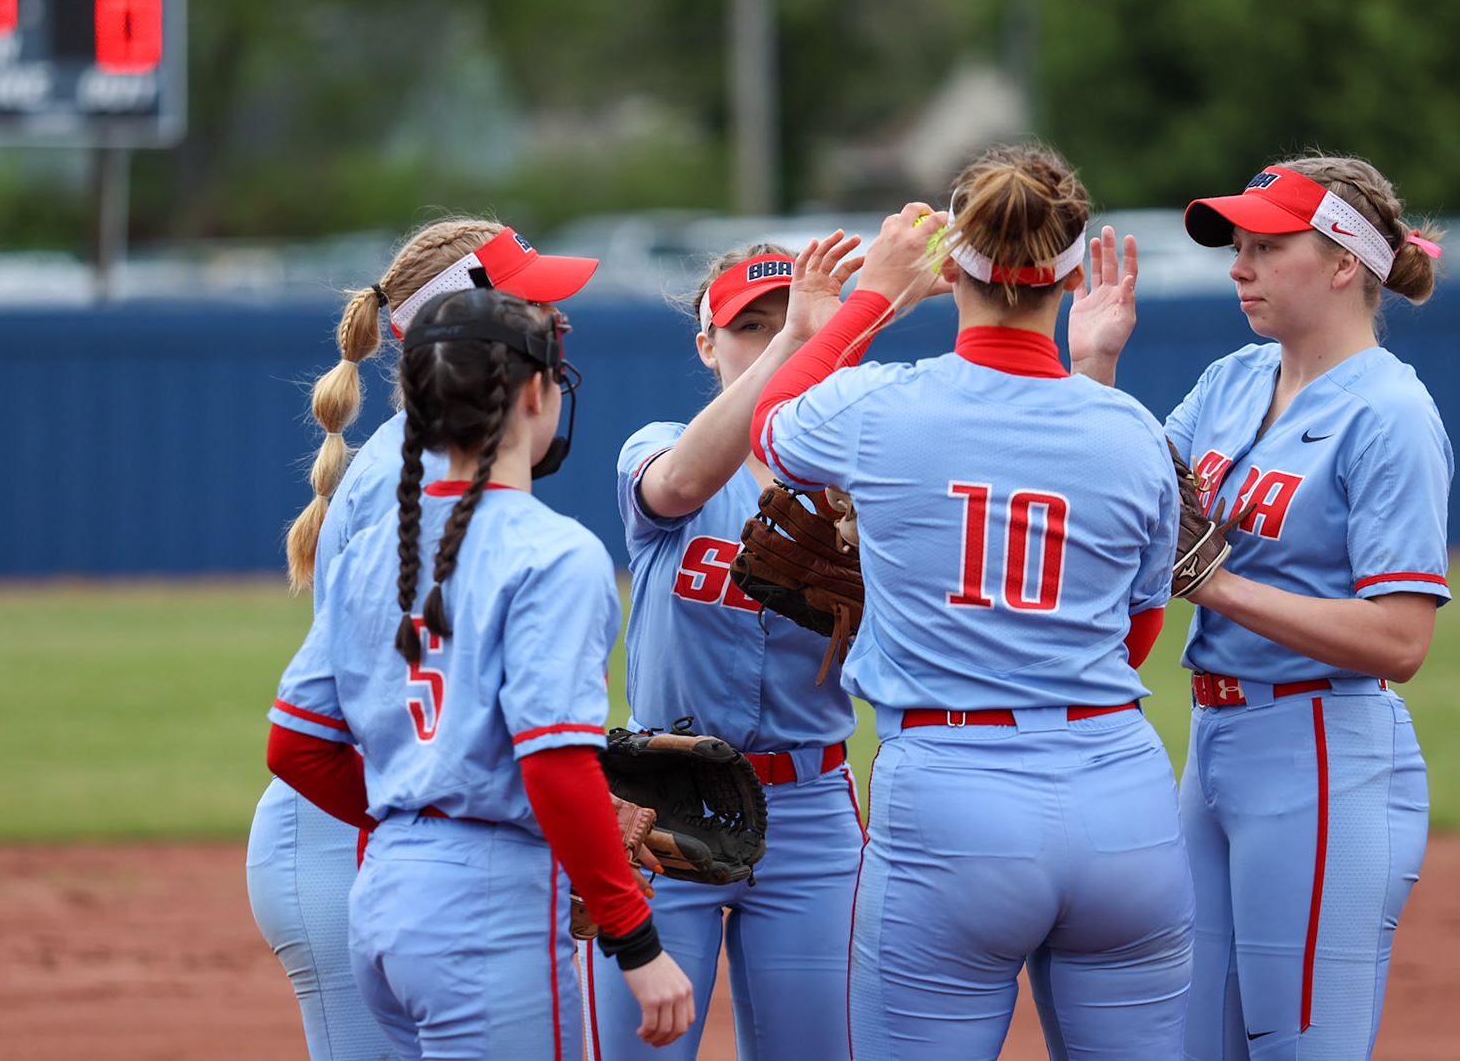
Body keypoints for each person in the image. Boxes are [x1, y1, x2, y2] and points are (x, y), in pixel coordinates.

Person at [749, 146, 1197, 1060]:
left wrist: (873, 295)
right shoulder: (1134, 432)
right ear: (1071, 274)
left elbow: (770, 424)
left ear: (951, 263)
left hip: (954, 795)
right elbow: (1137, 630)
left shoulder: (882, 408)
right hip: (1124, 792)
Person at [1072, 155, 1451, 1060]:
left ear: (1342, 262)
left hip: (1322, 754)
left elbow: (1401, 639)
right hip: (1214, 748)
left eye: (1267, 246)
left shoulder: (1391, 414)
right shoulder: (1235, 377)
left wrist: (1219, 585)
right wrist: (1094, 365)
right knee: (1195, 1044)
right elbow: (1117, 502)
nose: (1239, 265)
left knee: (1299, 1047)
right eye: (1237, 245)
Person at [266, 288, 696, 1058]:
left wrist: (419, 819)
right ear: (536, 390)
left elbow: (294, 748)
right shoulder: (553, 553)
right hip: (490, 905)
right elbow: (555, 765)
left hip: (383, 900)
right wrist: (635, 937)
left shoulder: (369, 551)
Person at [248, 220, 600, 1061]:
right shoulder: (411, 469)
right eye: (537, 302)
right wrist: (481, 820)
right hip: (354, 834)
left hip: (378, 830)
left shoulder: (420, 459)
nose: (562, 321)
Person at [586, 233, 867, 1060]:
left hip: (810, 808)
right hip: (661, 796)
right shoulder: (657, 445)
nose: (776, 337)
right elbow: (676, 487)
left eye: (797, 321)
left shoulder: (862, 478)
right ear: (707, 343)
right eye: (754, 325)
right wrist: (795, 349)